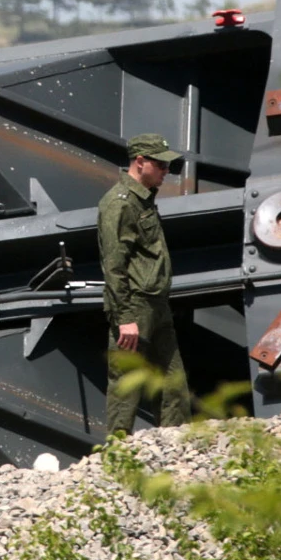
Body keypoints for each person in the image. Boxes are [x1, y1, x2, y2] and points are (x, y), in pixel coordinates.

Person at [97, 133, 190, 436]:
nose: (167, 171)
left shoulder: (144, 199)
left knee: (173, 381)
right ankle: (117, 453)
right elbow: (113, 264)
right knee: (127, 381)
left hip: (157, 304)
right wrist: (125, 318)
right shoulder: (119, 204)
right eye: (161, 165)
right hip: (135, 305)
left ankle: (173, 446)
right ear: (140, 162)